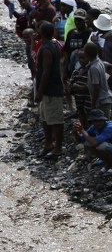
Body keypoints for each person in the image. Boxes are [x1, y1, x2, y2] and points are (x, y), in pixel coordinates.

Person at [35, 21, 65, 158]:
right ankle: (48, 144)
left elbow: (46, 71)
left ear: (41, 32)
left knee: (56, 120)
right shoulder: (51, 45)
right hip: (48, 88)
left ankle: (58, 148)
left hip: (51, 89)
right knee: (45, 117)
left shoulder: (47, 48)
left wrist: (40, 91)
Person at [73, 109, 112, 175]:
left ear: (104, 120)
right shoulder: (94, 127)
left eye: (99, 120)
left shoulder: (110, 127)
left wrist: (82, 130)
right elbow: (82, 140)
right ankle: (108, 164)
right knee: (87, 143)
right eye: (95, 121)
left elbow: (94, 142)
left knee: (102, 146)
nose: (97, 123)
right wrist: (75, 132)